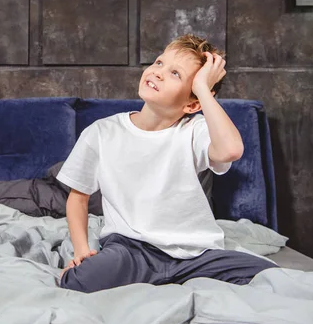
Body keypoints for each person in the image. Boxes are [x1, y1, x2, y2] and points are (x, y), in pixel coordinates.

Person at [57, 34, 277, 293]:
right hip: (131, 248)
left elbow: (230, 150)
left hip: (195, 255)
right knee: (81, 280)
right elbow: (78, 197)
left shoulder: (195, 130)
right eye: (159, 62)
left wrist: (204, 88)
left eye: (175, 74)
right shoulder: (102, 132)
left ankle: (172, 280)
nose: (158, 72)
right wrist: (83, 251)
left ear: (192, 103)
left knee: (270, 276)